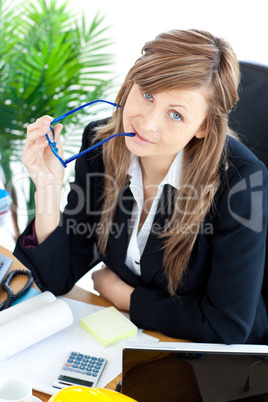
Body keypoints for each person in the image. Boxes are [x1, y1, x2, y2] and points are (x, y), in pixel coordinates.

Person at [14, 29, 268, 344]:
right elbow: (51, 278)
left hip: (216, 358)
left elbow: (227, 324)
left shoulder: (242, 181)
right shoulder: (101, 145)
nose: (146, 123)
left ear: (203, 126)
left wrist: (126, 297)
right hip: (131, 336)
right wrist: (48, 188)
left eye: (175, 114)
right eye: (147, 94)